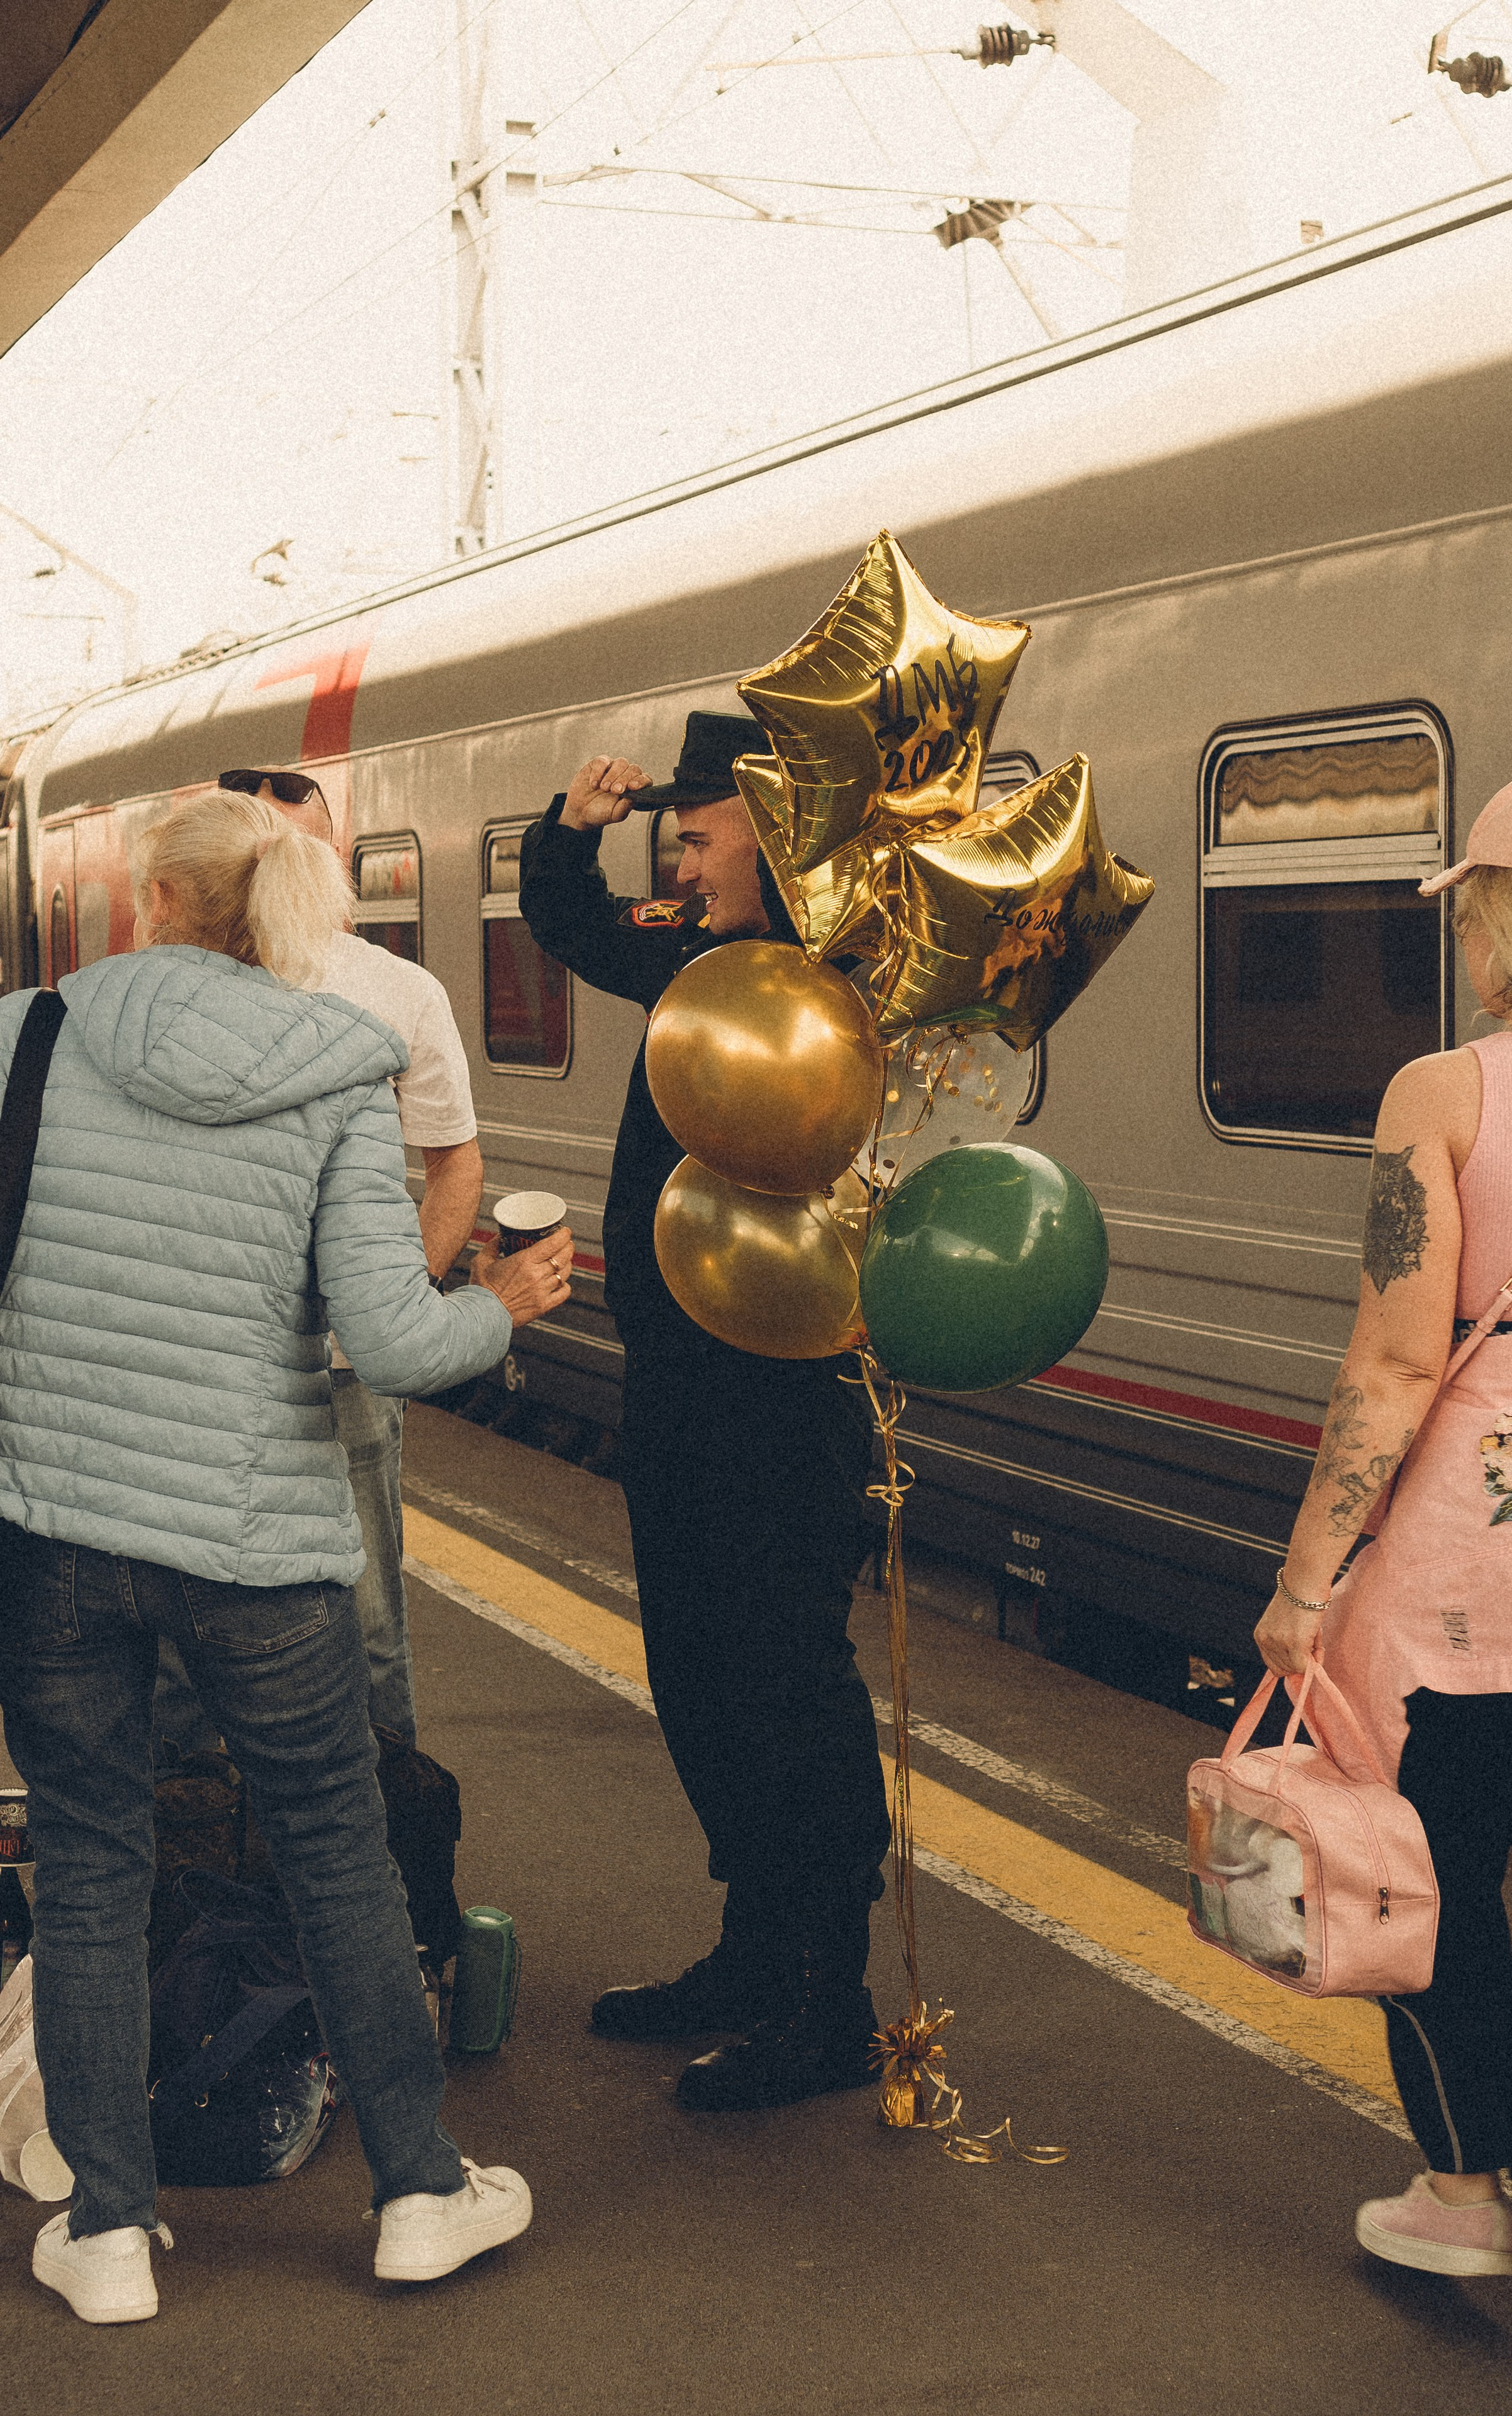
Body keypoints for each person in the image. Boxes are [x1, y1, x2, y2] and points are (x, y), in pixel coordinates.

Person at [0, 788, 572, 2324]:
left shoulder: (28, 1038)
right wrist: (501, 1310)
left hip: (56, 1522)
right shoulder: (340, 1070)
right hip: (255, 1539)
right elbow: (386, 1340)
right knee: (335, 1852)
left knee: (91, 1863)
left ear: (149, 901)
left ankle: (110, 2232)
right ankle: (417, 2194)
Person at [1253, 762, 1512, 2385]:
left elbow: (1395, 1364)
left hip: (1469, 1576)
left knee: (1424, 1866)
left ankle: (1463, 2188)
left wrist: (1304, 1579)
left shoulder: (1444, 1092)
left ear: (1503, 918)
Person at [520, 710, 891, 2114]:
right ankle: (751, 1951)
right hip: (679, 1370)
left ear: (782, 833)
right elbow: (566, 923)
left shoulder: (839, 988)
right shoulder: (694, 960)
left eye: (703, 819)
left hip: (785, 1384)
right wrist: (574, 826)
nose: (679, 836)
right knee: (695, 1668)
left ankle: (823, 1997)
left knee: (781, 1681)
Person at [152, 766, 483, 1755]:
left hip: (342, 1367)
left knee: (369, 1622)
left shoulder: (396, 991)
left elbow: (456, 1162)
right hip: (205, 1360)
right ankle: (206, 1853)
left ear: (331, 863)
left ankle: (396, 1839)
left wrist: (395, 1301)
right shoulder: (189, 990)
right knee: (183, 1638)